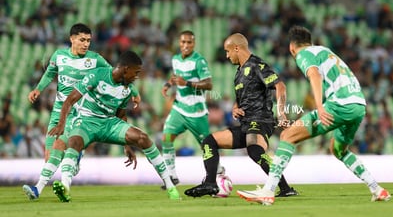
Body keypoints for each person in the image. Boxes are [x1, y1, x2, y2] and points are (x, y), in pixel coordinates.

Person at [238, 25, 391, 205]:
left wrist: (319, 106)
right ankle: (376, 188)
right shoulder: (324, 51)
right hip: (358, 105)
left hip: (339, 104)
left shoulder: (304, 54)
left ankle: (268, 191)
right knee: (338, 149)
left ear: (291, 48)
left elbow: (314, 75)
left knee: (288, 136)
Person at [44, 50, 179, 202]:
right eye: (136, 72)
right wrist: (62, 124)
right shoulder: (97, 75)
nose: (137, 76)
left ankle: (170, 187)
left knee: (143, 138)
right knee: (74, 142)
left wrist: (127, 145)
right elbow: (69, 100)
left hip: (109, 123)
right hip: (88, 122)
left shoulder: (126, 88)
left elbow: (121, 115)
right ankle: (65, 188)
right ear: (126, 69)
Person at [22, 23, 134, 200]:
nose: (86, 44)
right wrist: (38, 89)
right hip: (59, 110)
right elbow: (50, 73)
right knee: (49, 155)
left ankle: (49, 185)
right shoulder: (59, 56)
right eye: (82, 40)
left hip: (79, 112)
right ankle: (70, 166)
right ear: (72, 39)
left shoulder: (95, 59)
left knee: (64, 146)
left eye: (88, 40)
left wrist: (133, 92)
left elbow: (115, 74)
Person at [184, 33, 298, 198]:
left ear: (237, 48)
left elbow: (280, 86)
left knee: (254, 150)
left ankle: (285, 188)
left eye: (228, 51)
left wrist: (281, 114)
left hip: (260, 120)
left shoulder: (257, 65)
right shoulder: (238, 73)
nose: (227, 55)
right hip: (246, 123)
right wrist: (235, 108)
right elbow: (241, 100)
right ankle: (210, 184)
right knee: (209, 141)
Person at [160, 30, 224, 189]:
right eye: (183, 42)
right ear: (179, 43)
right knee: (167, 138)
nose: (185, 45)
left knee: (207, 146)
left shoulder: (199, 61)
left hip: (197, 112)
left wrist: (187, 83)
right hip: (179, 108)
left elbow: (209, 84)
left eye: (189, 42)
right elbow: (176, 76)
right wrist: (169, 84)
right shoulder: (175, 59)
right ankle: (172, 176)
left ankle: (218, 171)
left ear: (193, 44)